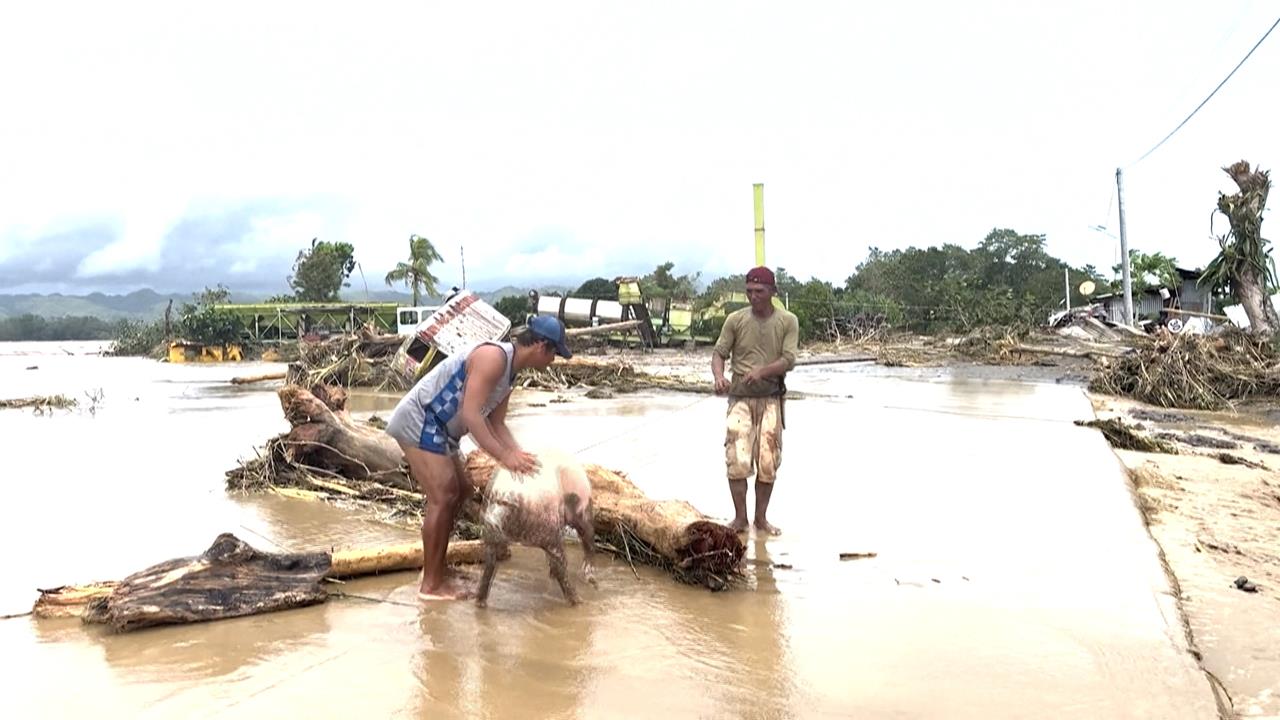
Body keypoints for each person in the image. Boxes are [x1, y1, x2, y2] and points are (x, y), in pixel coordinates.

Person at [386, 315, 573, 600]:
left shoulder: (510, 373)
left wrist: (521, 458)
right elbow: (472, 417)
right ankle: (431, 586)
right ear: (541, 346)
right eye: (555, 353)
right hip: (423, 419)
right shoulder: (493, 358)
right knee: (444, 494)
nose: (553, 361)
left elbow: (497, 424)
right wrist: (504, 458)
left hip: (442, 430)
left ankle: (436, 569)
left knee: (462, 490)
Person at [711, 266, 798, 535]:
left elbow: (789, 359)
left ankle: (761, 518)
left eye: (759, 291)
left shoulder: (787, 321)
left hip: (771, 398)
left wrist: (762, 371)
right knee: (737, 459)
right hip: (740, 398)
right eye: (749, 291)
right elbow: (719, 353)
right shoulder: (735, 320)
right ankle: (740, 518)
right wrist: (718, 377)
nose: (753, 296)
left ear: (773, 292)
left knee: (768, 461)